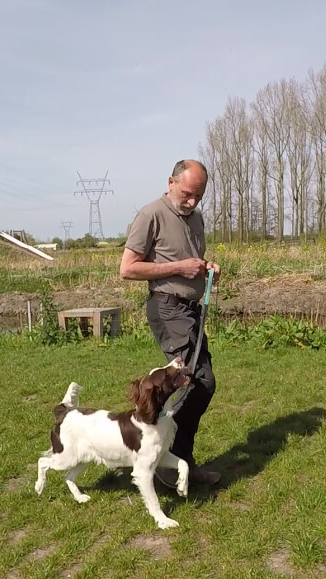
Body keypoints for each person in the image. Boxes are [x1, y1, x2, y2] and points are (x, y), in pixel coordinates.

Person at [120, 159, 221, 487]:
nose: (192, 202)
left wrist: (208, 271)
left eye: (199, 196)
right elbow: (128, 269)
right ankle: (163, 460)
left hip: (190, 310)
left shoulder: (196, 219)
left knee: (199, 383)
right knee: (197, 381)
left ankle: (175, 460)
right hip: (167, 309)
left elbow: (192, 265)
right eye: (188, 194)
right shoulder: (151, 215)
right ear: (171, 182)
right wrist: (178, 268)